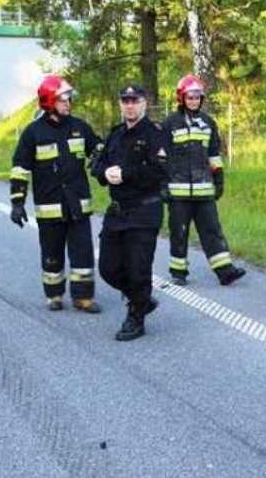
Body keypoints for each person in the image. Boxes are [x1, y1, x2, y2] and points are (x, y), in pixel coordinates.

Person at [9, 75, 102, 313]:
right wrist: (17, 202)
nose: (68, 104)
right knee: (52, 254)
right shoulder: (33, 133)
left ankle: (83, 298)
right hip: (50, 207)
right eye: (63, 100)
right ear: (49, 101)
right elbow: (20, 168)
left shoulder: (80, 128)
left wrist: (103, 159)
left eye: (69, 99)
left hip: (78, 205)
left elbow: (98, 149)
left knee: (82, 253)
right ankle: (55, 295)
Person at [92, 84, 169, 341]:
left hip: (144, 211)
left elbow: (160, 171)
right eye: (125, 101)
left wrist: (126, 174)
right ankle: (142, 299)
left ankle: (136, 317)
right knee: (108, 268)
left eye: (134, 100)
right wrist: (105, 173)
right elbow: (97, 164)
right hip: (117, 213)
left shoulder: (155, 134)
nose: (129, 105)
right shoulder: (115, 134)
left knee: (138, 268)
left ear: (144, 103)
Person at [161, 74, 246, 287]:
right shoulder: (170, 123)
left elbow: (214, 155)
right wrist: (162, 186)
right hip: (178, 193)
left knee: (212, 231)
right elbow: (162, 158)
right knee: (179, 233)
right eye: (190, 97)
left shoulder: (208, 123)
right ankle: (178, 272)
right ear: (181, 98)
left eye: (197, 97)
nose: (194, 101)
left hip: (204, 191)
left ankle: (225, 271)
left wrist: (218, 181)